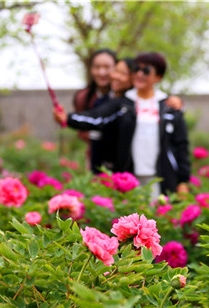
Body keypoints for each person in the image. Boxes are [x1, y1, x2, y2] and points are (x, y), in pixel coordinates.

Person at [54, 52, 190, 197]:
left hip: (162, 179)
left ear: (158, 77)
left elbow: (181, 145)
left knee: (161, 218)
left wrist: (183, 180)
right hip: (129, 179)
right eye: (136, 69)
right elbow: (96, 118)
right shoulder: (123, 104)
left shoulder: (169, 107)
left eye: (146, 70)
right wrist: (67, 118)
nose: (139, 74)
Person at [73, 48, 117, 173]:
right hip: (95, 159)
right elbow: (81, 131)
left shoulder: (124, 96)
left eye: (107, 67)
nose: (101, 72)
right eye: (97, 67)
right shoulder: (83, 98)